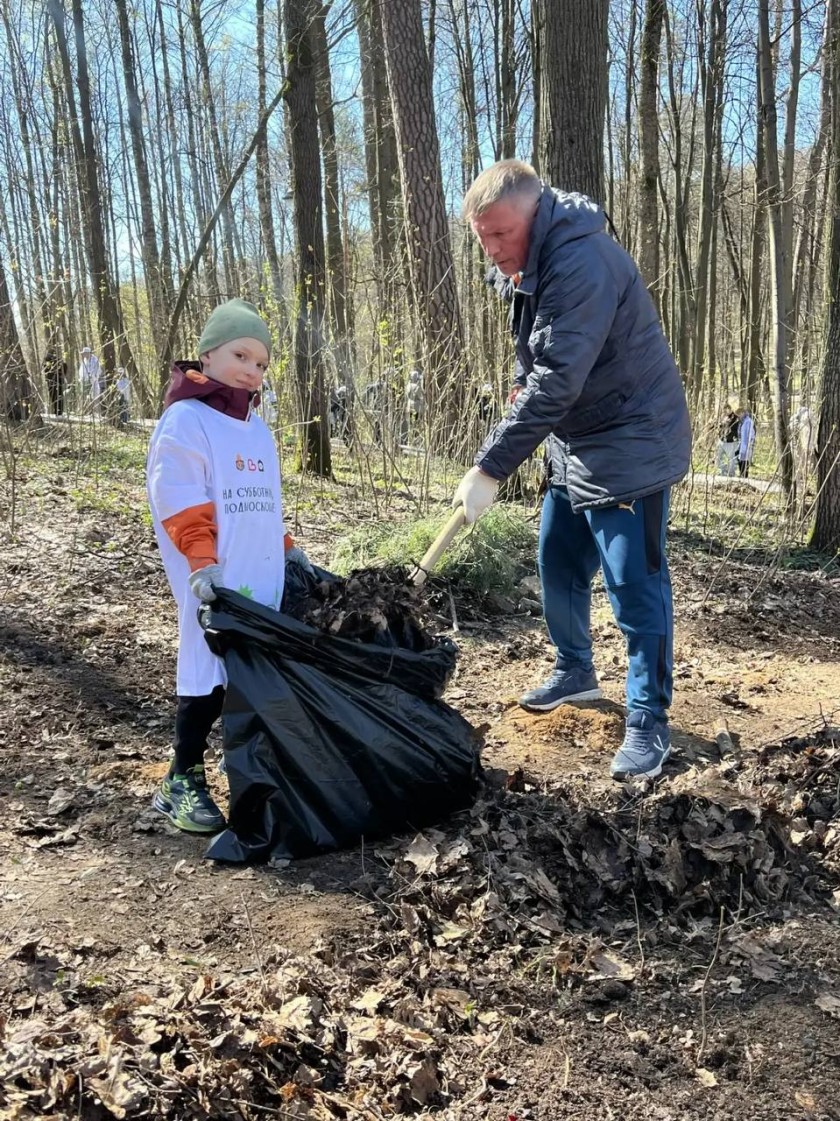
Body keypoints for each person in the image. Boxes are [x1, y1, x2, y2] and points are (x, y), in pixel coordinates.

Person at [451, 159, 691, 781]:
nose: (493, 250)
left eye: (501, 235)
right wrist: (514, 388)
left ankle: (648, 719)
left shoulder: (582, 261)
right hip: (576, 438)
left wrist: (490, 466)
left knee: (632, 585)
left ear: (536, 213)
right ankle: (575, 671)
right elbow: (534, 355)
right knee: (557, 559)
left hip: (631, 439)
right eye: (482, 237)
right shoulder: (528, 263)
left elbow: (557, 378)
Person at [146, 299, 313, 833]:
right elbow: (179, 498)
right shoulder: (186, 421)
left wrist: (284, 545)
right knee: (207, 670)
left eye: (261, 363)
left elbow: (262, 500)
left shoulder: (256, 428)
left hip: (258, 571)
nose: (251, 369)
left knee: (249, 670)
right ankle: (181, 779)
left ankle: (246, 763)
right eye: (241, 354)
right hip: (212, 576)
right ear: (208, 353)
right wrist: (201, 562)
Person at [77, 346, 102, 413]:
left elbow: (97, 370)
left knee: (94, 397)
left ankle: (96, 413)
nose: (84, 355)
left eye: (85, 353)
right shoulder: (84, 361)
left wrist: (92, 376)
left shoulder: (95, 360)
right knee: (85, 397)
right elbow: (81, 371)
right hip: (85, 382)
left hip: (93, 381)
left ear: (88, 353)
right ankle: (87, 412)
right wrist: (82, 378)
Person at [716, 408, 739, 477]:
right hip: (722, 440)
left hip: (730, 442)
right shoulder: (724, 417)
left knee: (731, 458)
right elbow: (720, 426)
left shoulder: (735, 418)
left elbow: (736, 429)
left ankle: (731, 473)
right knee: (717, 457)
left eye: (727, 410)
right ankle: (723, 470)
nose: (726, 411)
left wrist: (733, 436)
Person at [43, 349, 67, 416]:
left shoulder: (58, 361)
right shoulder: (48, 360)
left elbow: (64, 367)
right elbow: (45, 369)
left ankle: (59, 411)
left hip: (56, 381)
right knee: (55, 396)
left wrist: (61, 375)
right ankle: (57, 410)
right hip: (52, 381)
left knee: (57, 396)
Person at [737, 407, 756, 478]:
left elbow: (751, 433)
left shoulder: (748, 421)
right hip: (742, 443)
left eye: (739, 414)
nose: (738, 416)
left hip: (747, 443)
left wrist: (750, 442)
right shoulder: (742, 421)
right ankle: (741, 473)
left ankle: (744, 475)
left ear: (742, 413)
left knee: (745, 460)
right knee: (741, 459)